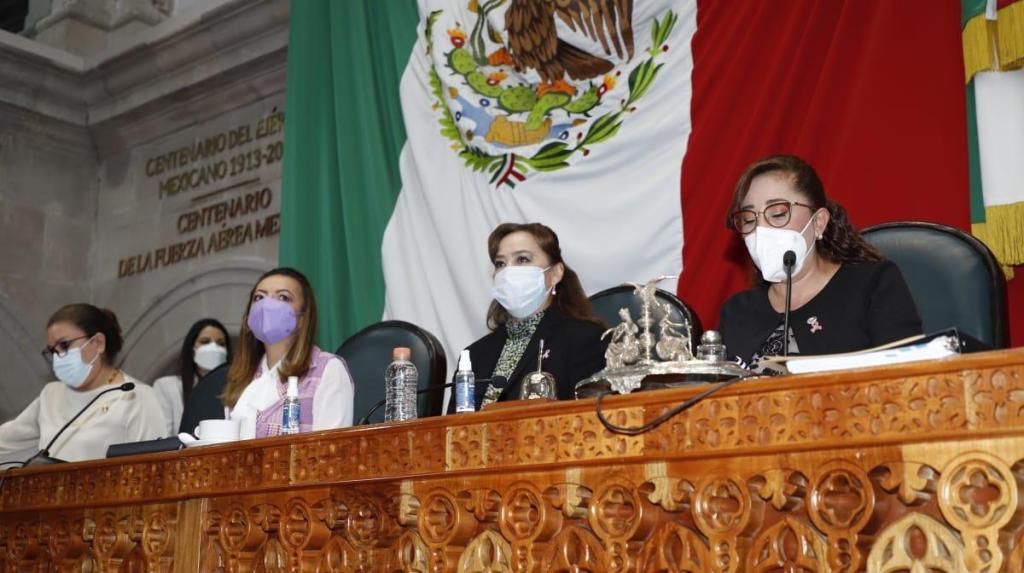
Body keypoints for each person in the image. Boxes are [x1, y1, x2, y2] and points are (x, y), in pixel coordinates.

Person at [718, 154, 922, 374]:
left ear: (818, 222)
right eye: (749, 219)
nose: (761, 230)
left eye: (778, 214)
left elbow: (906, 380)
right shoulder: (737, 311)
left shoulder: (873, 285)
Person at [454, 222, 608, 410]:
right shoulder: (474, 355)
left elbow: (590, 416)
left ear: (555, 273)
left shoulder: (586, 338)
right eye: (500, 263)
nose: (508, 272)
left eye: (522, 259)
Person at [0, 304, 166, 463]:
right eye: (52, 350)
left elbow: (153, 467)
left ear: (98, 342)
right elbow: (6, 442)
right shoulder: (51, 395)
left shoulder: (136, 397)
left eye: (64, 345)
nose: (58, 356)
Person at [223, 267, 354, 438]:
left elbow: (331, 450)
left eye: (283, 297)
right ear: (248, 318)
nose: (266, 306)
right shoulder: (242, 378)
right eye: (259, 297)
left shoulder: (327, 370)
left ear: (302, 319)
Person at [152, 318, 231, 435]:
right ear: (192, 349)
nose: (214, 347)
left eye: (221, 343)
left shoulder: (234, 388)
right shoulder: (167, 387)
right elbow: (162, 436)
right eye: (205, 342)